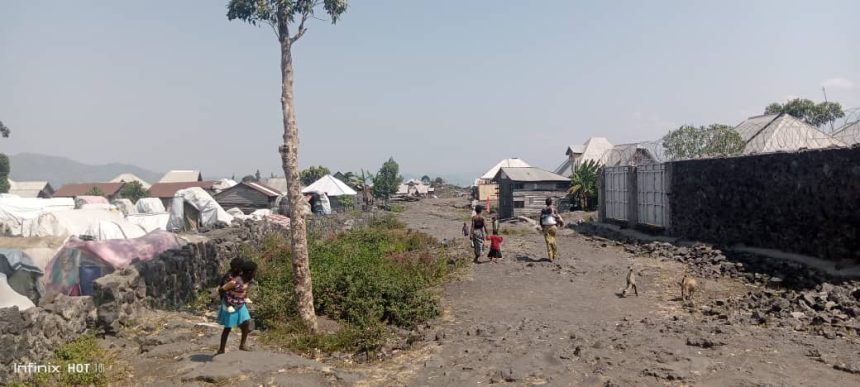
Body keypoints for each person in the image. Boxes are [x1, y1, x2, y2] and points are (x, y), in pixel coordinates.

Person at [217, 260, 257, 354]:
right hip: (231, 305)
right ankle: (221, 349)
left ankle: (242, 345)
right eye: (255, 271)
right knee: (228, 327)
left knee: (246, 322)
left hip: (240, 304)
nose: (256, 273)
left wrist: (244, 296)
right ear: (250, 272)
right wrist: (229, 299)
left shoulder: (248, 279)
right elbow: (221, 289)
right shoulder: (235, 281)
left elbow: (245, 290)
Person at [540, 198, 564, 262]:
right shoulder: (554, 209)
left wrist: (542, 227)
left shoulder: (543, 210)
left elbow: (541, 219)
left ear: (546, 203)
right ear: (551, 202)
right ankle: (555, 254)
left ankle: (550, 257)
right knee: (553, 239)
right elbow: (558, 217)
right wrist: (558, 224)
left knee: (548, 242)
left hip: (546, 227)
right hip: (553, 226)